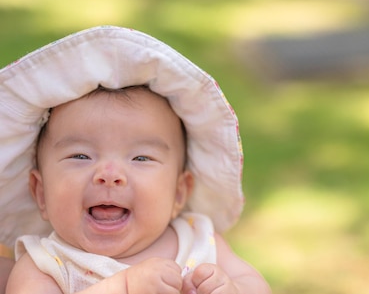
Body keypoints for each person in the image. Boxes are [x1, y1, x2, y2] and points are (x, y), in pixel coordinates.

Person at [0, 26, 271, 294]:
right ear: (41, 192)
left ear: (179, 193)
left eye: (141, 158)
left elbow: (255, 284)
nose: (109, 173)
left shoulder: (198, 238)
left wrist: (233, 288)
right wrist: (125, 286)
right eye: (80, 155)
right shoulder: (45, 265)